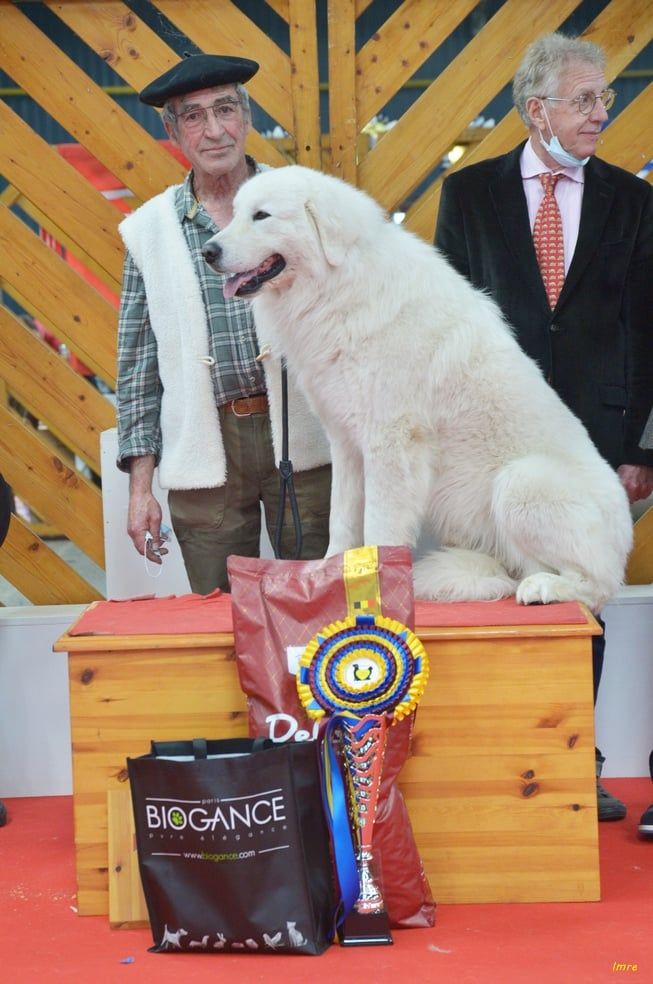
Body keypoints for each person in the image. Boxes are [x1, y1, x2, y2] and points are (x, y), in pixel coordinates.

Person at [435, 32, 653, 820]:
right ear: (536, 111)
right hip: (496, 438)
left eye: (604, 96)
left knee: (579, 594)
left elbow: (647, 328)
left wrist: (639, 450)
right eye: (585, 98)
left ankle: (577, 761)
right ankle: (513, 758)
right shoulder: (469, 194)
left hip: (601, 441)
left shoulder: (634, 200)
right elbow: (447, 319)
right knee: (503, 592)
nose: (603, 111)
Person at [116, 54, 331, 593]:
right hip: (206, 450)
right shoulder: (148, 231)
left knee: (324, 608)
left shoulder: (301, 201)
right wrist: (140, 490)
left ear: (247, 115)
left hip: (306, 439)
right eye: (193, 117)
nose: (215, 131)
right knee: (218, 617)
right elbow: (138, 372)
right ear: (172, 131)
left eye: (225, 109)